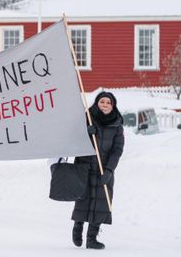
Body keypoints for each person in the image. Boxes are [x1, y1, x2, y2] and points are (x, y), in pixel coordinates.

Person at [72, 91, 125, 250]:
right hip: (85, 166)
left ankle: (92, 238)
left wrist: (109, 170)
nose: (105, 105)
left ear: (113, 105)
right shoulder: (87, 117)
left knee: (101, 203)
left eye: (109, 103)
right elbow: (74, 138)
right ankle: (77, 228)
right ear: (97, 103)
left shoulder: (117, 124)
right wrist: (86, 133)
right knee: (83, 199)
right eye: (102, 102)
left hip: (104, 169)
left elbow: (117, 149)